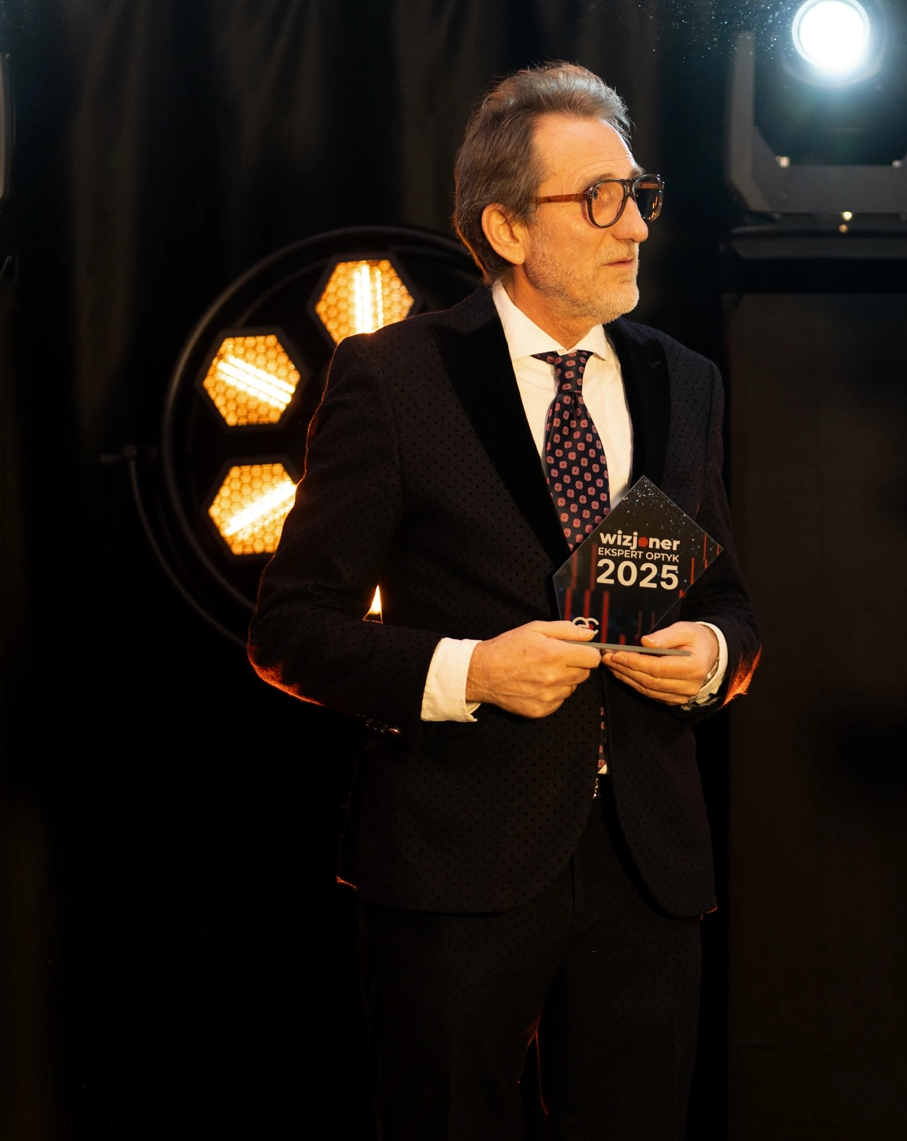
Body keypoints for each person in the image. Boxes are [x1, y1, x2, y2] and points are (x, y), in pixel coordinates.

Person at [249, 62, 759, 1140]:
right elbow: (290, 630)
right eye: (601, 199)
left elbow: (726, 599)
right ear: (509, 228)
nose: (637, 226)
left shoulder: (686, 380)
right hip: (455, 860)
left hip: (648, 863)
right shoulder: (394, 377)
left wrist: (713, 656)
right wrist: (470, 672)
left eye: (640, 194)